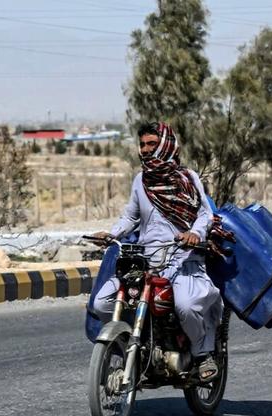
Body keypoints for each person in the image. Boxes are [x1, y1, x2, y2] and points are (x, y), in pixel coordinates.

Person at [91, 122, 222, 382]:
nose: (146, 150)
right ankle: (134, 346)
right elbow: (131, 215)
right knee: (101, 302)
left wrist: (195, 233)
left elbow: (206, 213)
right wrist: (113, 234)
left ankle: (202, 353)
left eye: (152, 144)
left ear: (165, 145)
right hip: (147, 262)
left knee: (185, 305)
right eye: (142, 145)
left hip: (184, 260)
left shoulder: (187, 178)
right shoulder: (140, 180)